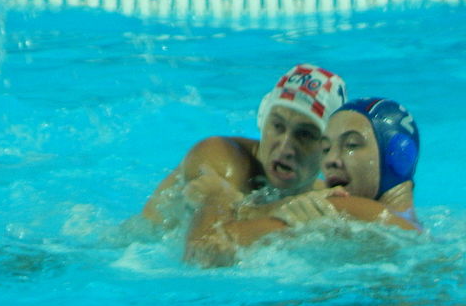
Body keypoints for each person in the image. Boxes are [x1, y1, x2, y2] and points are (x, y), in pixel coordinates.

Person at [184, 97, 421, 266]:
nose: (330, 160)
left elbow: (205, 251)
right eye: (326, 148)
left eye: (351, 145)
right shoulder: (418, 227)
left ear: (397, 156)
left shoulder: (340, 207)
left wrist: (215, 198)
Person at [139, 63, 348, 233]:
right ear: (262, 120)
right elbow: (205, 248)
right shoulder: (219, 157)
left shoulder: (322, 197)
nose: (285, 148)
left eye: (304, 135)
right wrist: (282, 208)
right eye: (277, 126)